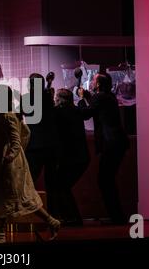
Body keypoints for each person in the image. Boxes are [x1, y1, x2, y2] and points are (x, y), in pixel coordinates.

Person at [0, 86, 60, 244]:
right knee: (8, 196)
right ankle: (1, 235)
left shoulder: (8, 115)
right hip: (9, 161)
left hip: (10, 164)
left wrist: (9, 157)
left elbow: (16, 141)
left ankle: (2, 235)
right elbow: (26, 133)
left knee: (13, 196)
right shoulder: (10, 114)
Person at [78, 73, 130, 225]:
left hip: (111, 143)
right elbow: (96, 107)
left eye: (94, 80)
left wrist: (82, 98)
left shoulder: (101, 98)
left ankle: (117, 217)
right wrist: (88, 97)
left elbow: (85, 114)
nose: (91, 82)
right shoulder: (108, 96)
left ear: (99, 84)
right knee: (107, 180)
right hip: (116, 142)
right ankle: (116, 216)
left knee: (105, 180)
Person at [21, 73, 58, 215]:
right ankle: (55, 213)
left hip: (34, 145)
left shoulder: (27, 98)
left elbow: (20, 114)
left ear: (30, 85)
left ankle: (30, 213)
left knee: (29, 181)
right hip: (51, 145)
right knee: (52, 183)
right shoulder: (48, 98)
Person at [53, 89, 90, 226]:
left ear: (59, 99)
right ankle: (71, 217)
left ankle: (72, 218)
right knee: (63, 186)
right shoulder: (76, 110)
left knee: (60, 186)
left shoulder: (58, 112)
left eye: (56, 98)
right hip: (81, 157)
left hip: (69, 157)